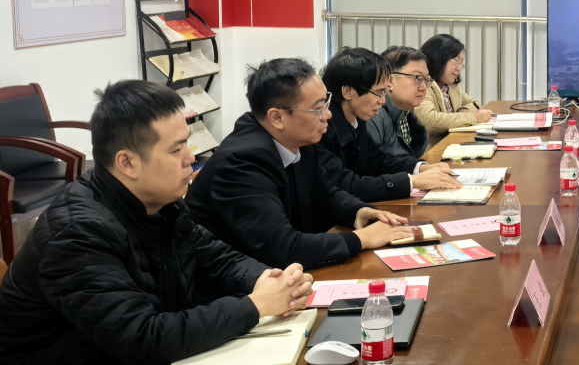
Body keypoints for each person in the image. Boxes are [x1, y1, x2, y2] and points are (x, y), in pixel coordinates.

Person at [0, 80, 314, 364]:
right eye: (176, 149)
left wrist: (270, 281)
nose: (191, 158)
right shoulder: (76, 233)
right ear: (127, 163)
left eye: (186, 143)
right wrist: (255, 305)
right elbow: (142, 339)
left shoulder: (160, 202)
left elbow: (216, 258)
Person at [186, 58, 414, 270]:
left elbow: (325, 195)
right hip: (232, 285)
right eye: (317, 108)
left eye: (326, 103)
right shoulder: (242, 162)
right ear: (277, 117)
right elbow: (282, 248)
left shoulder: (298, 138)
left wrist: (359, 211)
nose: (328, 115)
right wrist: (361, 239)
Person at [319, 47, 461, 202]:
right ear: (348, 92)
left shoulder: (356, 120)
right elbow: (346, 184)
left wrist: (420, 168)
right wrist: (412, 181)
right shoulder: (321, 130)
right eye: (379, 93)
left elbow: (377, 158)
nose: (383, 100)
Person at [416, 34, 494, 144]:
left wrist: (461, 112)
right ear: (438, 58)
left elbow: (475, 104)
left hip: (452, 144)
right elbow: (431, 121)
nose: (459, 68)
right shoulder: (423, 86)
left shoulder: (451, 87)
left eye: (461, 63)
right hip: (433, 150)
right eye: (456, 62)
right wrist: (473, 117)